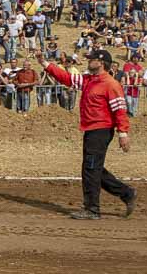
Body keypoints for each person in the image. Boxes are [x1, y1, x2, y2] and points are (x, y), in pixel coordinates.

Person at [37, 49, 136, 220]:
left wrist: (123, 133)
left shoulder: (110, 84)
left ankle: (92, 209)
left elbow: (120, 110)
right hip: (91, 130)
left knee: (90, 168)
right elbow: (66, 78)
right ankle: (126, 193)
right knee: (92, 167)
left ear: (101, 62)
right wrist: (44, 63)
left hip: (101, 131)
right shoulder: (89, 80)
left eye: (92, 59)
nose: (88, 61)